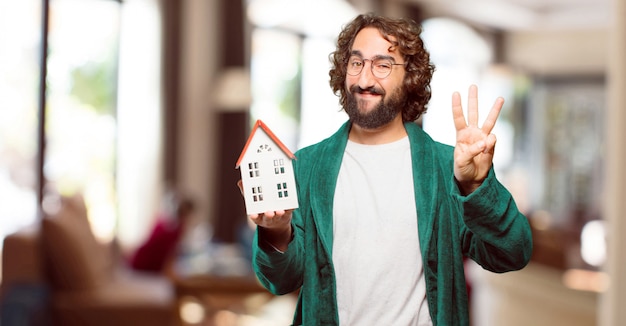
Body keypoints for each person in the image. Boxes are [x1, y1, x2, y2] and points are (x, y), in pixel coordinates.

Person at [242, 13, 533, 325]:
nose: (365, 80)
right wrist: (276, 230)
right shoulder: (308, 166)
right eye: (356, 63)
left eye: (382, 65)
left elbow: (512, 253)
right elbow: (281, 281)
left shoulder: (446, 168)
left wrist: (476, 188)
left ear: (410, 77)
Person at [128, 191, 196, 276]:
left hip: (140, 259)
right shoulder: (176, 228)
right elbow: (172, 255)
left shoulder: (163, 220)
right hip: (144, 263)